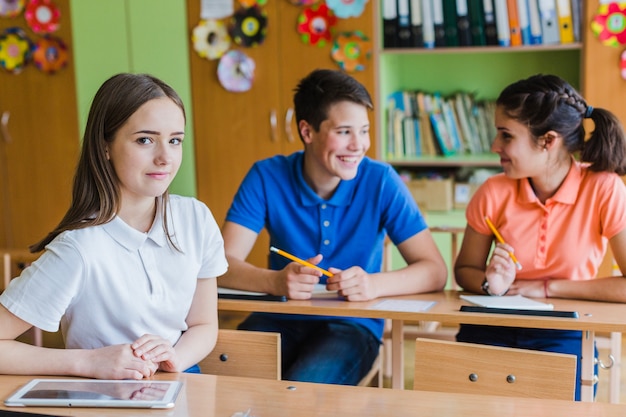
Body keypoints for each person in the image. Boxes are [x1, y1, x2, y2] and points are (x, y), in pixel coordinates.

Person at [218, 68, 447, 385]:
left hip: (352, 325)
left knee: (303, 393)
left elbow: (434, 270)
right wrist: (275, 282)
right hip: (281, 315)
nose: (359, 145)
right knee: (223, 381)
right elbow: (220, 266)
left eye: (364, 131)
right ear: (307, 131)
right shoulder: (266, 176)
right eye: (344, 132)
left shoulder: (381, 180)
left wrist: (373, 285)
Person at [0, 73, 228, 379]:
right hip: (104, 399)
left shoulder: (196, 219)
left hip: (180, 380)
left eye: (175, 140)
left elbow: (203, 324)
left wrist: (172, 358)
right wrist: (89, 362)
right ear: (105, 146)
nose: (165, 157)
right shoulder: (79, 247)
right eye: (145, 140)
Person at [454, 73, 626, 400]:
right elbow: (464, 271)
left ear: (548, 141)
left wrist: (547, 287)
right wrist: (490, 284)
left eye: (506, 136)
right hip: (492, 324)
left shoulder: (604, 189)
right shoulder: (492, 191)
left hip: (564, 329)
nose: (495, 147)